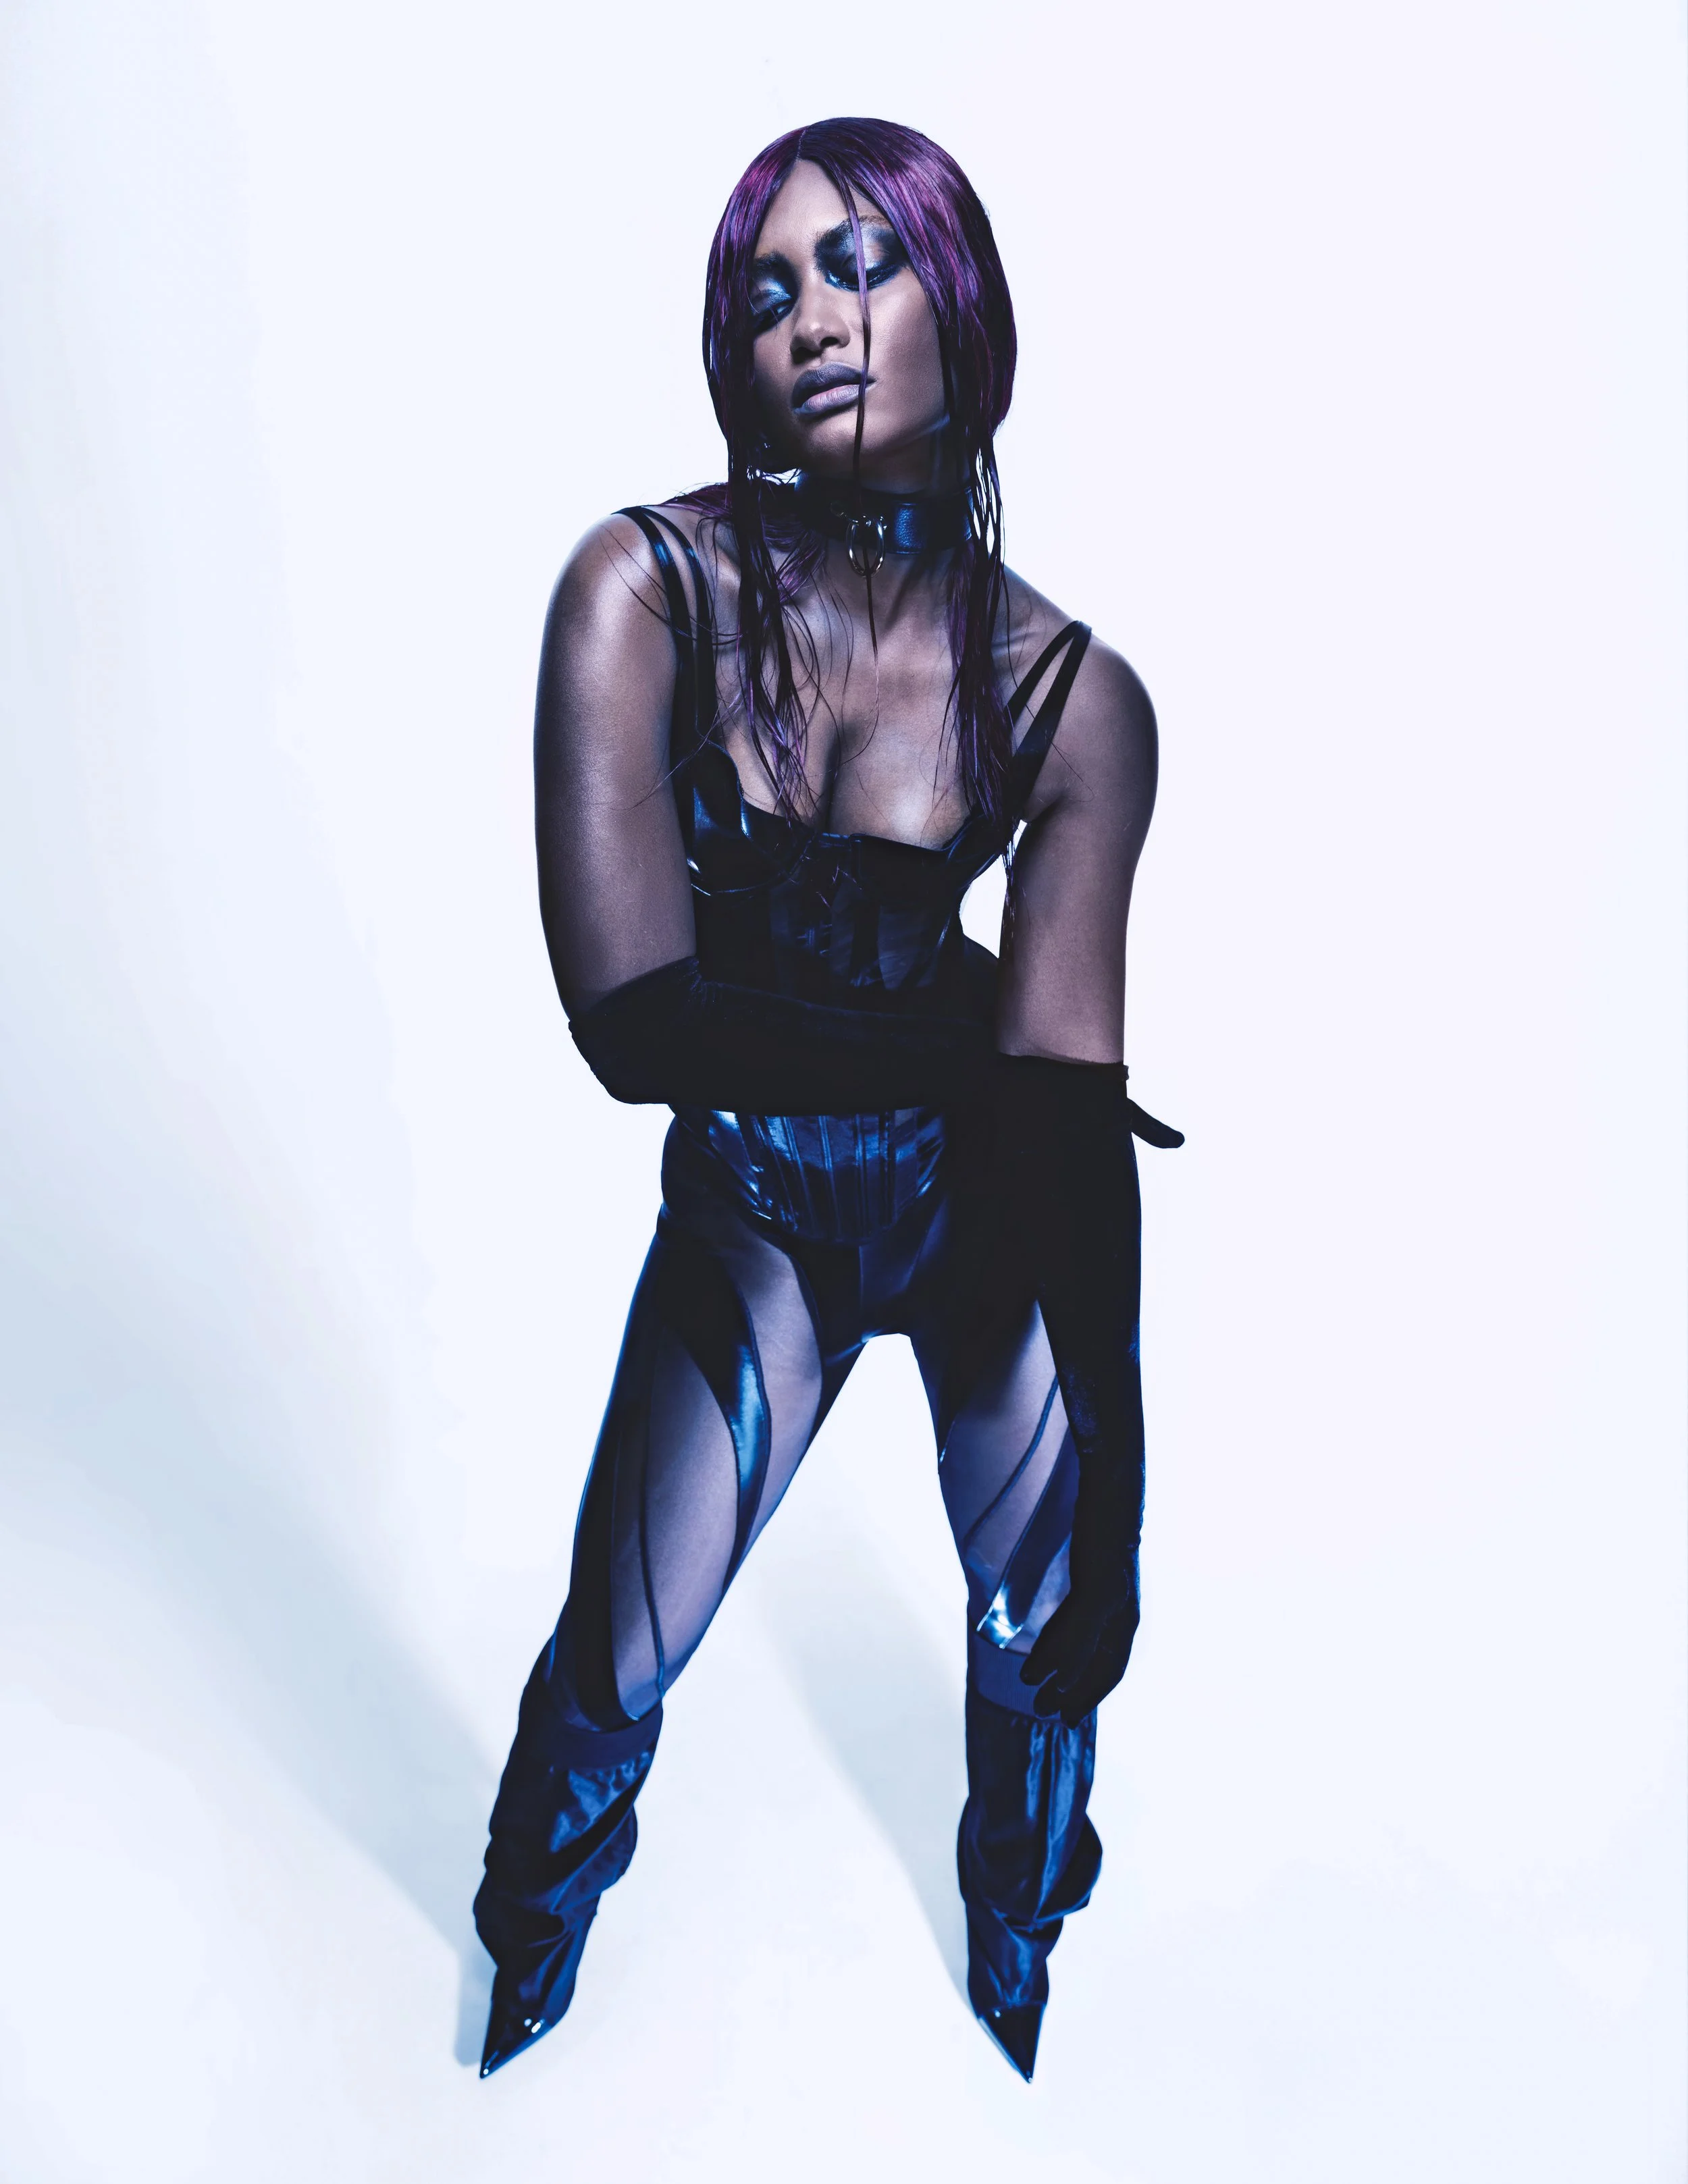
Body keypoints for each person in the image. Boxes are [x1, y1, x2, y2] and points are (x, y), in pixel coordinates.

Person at [472, 115, 1180, 2085]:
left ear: (962, 302)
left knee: (1050, 1635)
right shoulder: (642, 589)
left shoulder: (1075, 697)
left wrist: (1123, 1484)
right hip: (761, 1207)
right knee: (615, 1661)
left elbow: (1066, 1134)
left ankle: (1016, 1948)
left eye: (860, 265)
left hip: (980, 1216)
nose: (811, 318)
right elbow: (634, 1027)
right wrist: (978, 1061)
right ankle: (519, 1952)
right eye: (766, 287)